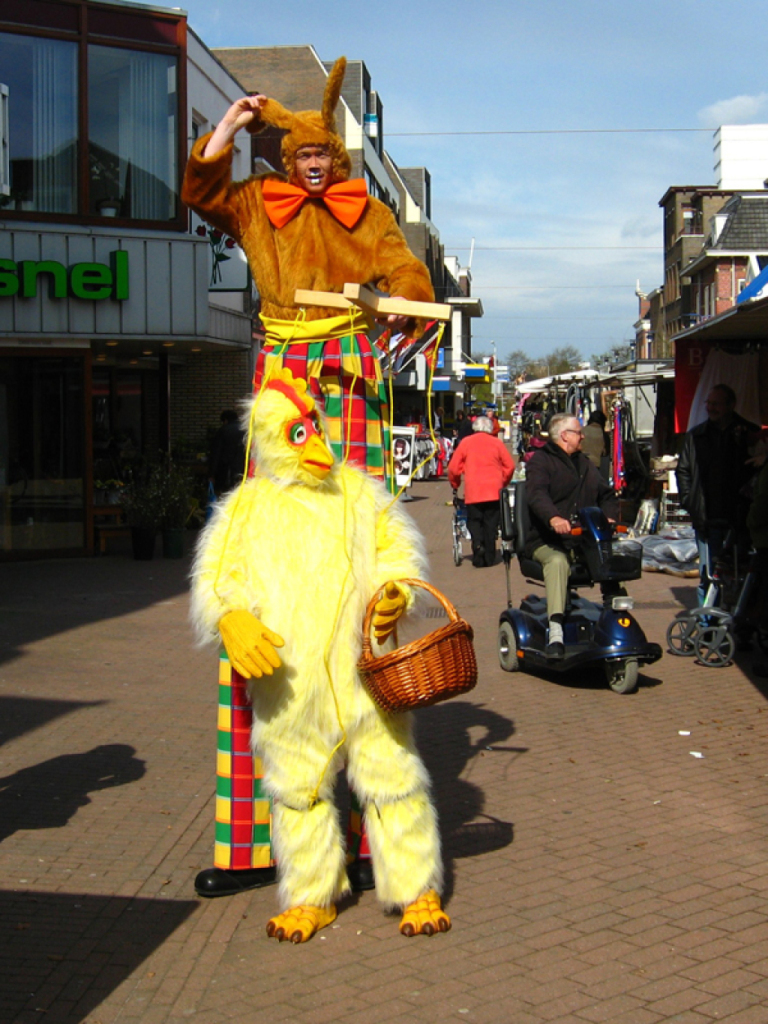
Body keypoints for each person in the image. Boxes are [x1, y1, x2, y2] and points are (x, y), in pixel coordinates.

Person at [181, 58, 435, 899]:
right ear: (286, 159)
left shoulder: (371, 212)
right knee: (260, 550)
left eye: (324, 150)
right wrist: (224, 126)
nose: (313, 162)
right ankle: (258, 846)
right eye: (299, 152)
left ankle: (370, 834)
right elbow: (202, 192)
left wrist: (403, 303)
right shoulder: (258, 202)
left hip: (352, 372)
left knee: (364, 572)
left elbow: (407, 276)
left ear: (338, 156)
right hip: (287, 368)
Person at [524, 412, 619, 658]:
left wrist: (609, 517)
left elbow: (606, 494)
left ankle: (616, 612)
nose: (583, 436)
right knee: (557, 562)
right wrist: (553, 518)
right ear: (564, 436)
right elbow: (536, 494)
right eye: (578, 432)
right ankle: (555, 630)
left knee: (609, 554)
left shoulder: (585, 464)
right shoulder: (541, 462)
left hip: (580, 538)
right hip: (546, 539)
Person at [676, 384, 759, 605]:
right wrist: (690, 501)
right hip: (708, 518)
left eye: (716, 404)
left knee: (740, 574)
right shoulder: (697, 436)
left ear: (731, 406)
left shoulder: (748, 434)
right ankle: (708, 628)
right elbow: (683, 470)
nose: (711, 408)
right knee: (709, 574)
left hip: (739, 520)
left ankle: (735, 622)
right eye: (709, 403)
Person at [448, 416, 514, 567]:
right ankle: (489, 557)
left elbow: (453, 468)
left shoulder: (466, 443)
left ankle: (478, 547)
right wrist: (503, 481)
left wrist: (455, 483)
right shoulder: (497, 443)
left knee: (474, 521)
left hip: (474, 490)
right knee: (491, 524)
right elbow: (509, 466)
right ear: (490, 428)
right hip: (493, 490)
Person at [209, 410, 246, 496]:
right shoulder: (244, 430)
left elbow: (216, 453)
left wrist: (212, 473)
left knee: (225, 494)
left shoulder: (223, 431)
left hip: (225, 469)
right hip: (242, 468)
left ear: (225, 420)